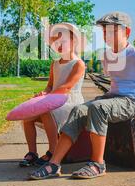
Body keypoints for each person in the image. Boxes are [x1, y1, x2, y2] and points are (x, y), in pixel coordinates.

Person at [29, 11, 135, 180]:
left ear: (127, 32)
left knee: (98, 108)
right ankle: (54, 164)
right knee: (79, 110)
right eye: (104, 32)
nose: (107, 35)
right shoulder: (107, 55)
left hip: (133, 101)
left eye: (112, 31)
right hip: (114, 98)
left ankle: (98, 163)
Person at [19, 23, 86, 167]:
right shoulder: (55, 64)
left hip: (69, 103)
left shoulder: (78, 64)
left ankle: (53, 151)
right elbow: (51, 85)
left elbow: (66, 87)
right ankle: (32, 152)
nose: (58, 45)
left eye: (63, 41)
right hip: (53, 99)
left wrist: (46, 99)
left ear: (73, 41)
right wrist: (44, 93)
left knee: (46, 111)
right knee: (27, 115)